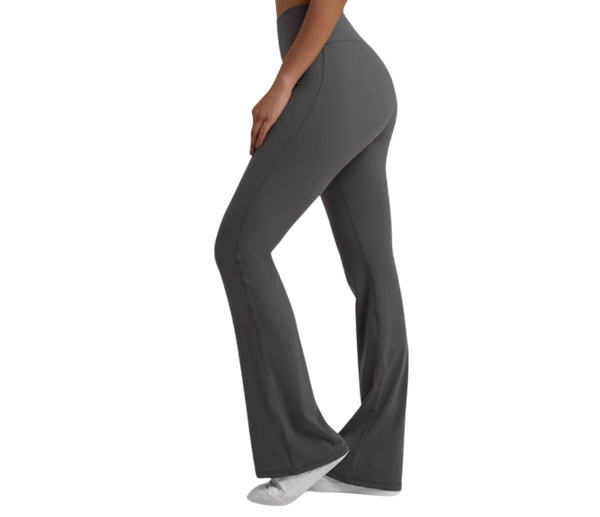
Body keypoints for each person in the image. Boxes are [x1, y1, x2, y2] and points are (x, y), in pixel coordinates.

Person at [214, 0, 408, 507]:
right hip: (358, 76)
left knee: (240, 244)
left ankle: (299, 449)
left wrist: (284, 82)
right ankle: (373, 461)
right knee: (374, 272)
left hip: (329, 70)